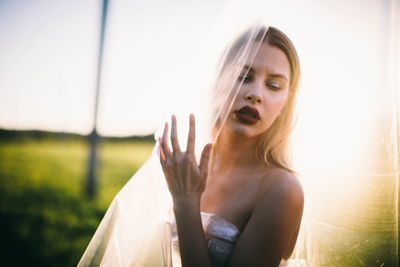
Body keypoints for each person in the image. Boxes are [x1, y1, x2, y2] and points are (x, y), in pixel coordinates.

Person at [79, 25, 304, 267]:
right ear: (219, 81)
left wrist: (186, 201)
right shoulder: (185, 165)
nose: (256, 94)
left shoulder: (282, 190)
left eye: (274, 85)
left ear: (286, 104)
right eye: (244, 76)